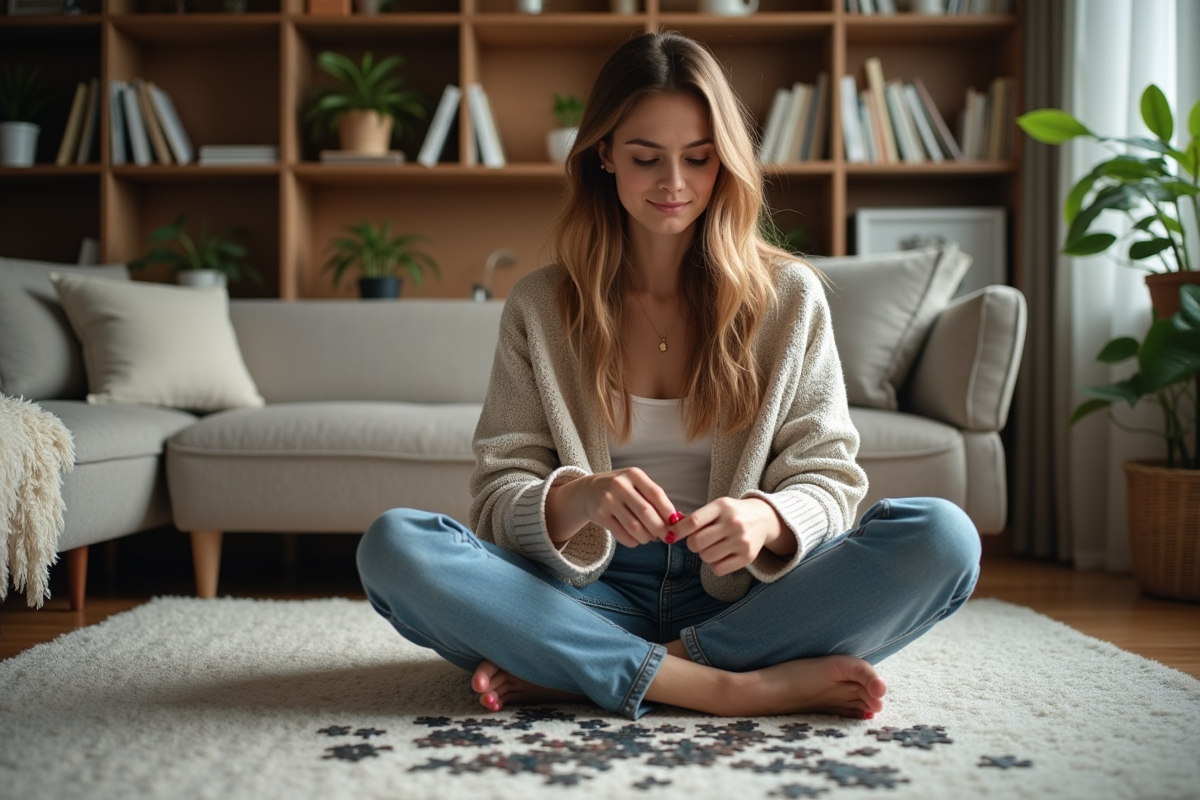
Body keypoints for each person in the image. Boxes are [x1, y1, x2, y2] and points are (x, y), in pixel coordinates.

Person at [357, 31, 980, 721]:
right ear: (604, 155)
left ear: (726, 164)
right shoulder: (539, 305)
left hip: (747, 596)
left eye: (699, 159)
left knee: (944, 539)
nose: (673, 184)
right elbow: (500, 492)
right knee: (395, 547)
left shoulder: (791, 298)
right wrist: (583, 498)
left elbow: (829, 477)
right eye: (646, 158)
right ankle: (732, 684)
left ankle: (584, 671)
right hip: (586, 595)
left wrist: (764, 517)